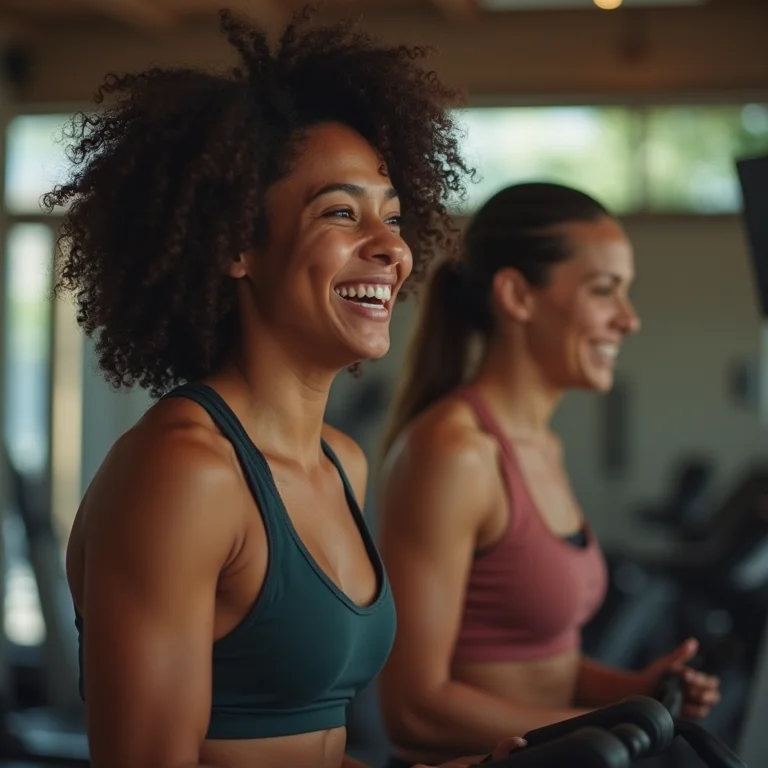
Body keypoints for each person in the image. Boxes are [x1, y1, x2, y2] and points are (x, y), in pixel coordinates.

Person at [44, 9, 526, 768]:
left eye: (393, 218)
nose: (391, 249)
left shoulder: (341, 462)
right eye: (341, 212)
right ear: (236, 243)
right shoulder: (185, 474)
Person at [377, 182, 722, 768]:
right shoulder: (456, 450)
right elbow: (414, 708)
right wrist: (612, 725)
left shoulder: (543, 446)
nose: (629, 320)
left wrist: (633, 689)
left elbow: (536, 662)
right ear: (517, 295)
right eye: (604, 291)